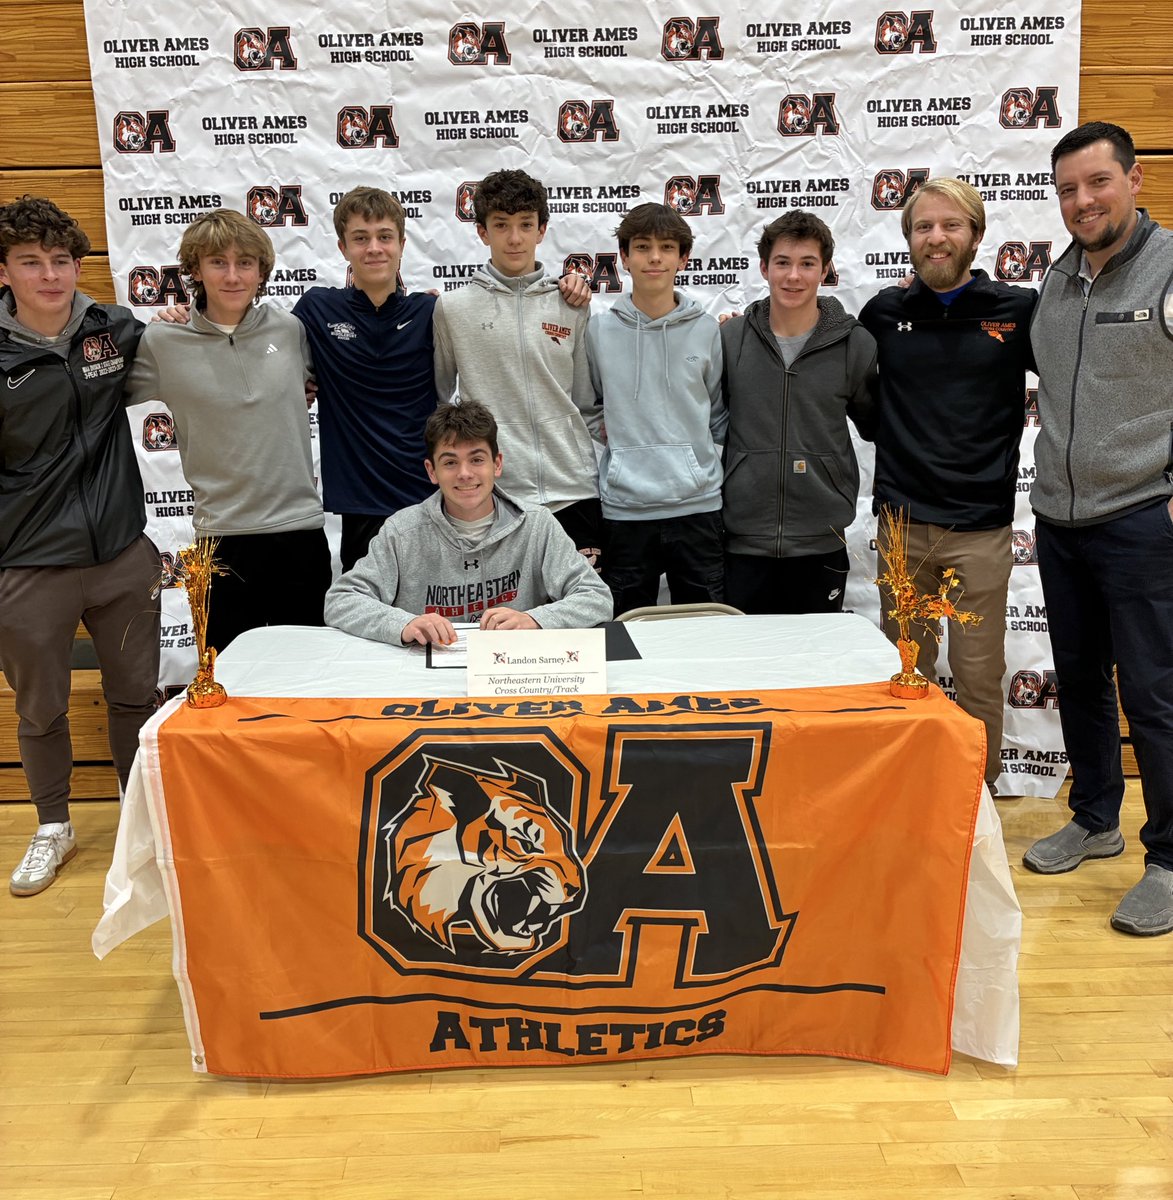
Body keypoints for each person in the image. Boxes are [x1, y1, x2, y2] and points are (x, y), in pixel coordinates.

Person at [1021, 121, 1173, 937]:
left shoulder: (1170, 265)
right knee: (1079, 680)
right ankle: (1094, 818)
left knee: (1154, 695)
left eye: (1096, 183)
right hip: (1060, 518)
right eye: (1067, 189)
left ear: (1133, 179)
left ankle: (1171, 858)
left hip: (1143, 519)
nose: (1081, 201)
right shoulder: (1058, 278)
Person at [0, 196, 160, 896]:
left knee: (134, 697)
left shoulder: (114, 329)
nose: (50, 276)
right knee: (41, 705)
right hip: (31, 563)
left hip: (123, 554)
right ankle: (52, 826)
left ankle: (138, 821)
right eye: (31, 262)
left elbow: (179, 361)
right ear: (4, 270)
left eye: (61, 260)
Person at [859, 179, 1036, 789]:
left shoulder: (1018, 311)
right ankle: (914, 792)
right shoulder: (883, 313)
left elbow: (1081, 379)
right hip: (902, 527)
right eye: (923, 227)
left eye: (950, 225)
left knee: (980, 675)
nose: (936, 238)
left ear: (977, 235)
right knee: (908, 670)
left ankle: (974, 802)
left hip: (980, 533)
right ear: (908, 239)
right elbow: (858, 396)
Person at [127, 210, 329, 652]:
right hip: (222, 540)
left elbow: (319, 384)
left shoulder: (291, 330)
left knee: (311, 681)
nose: (233, 276)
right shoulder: (163, 342)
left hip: (300, 534)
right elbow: (99, 398)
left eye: (245, 263)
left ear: (262, 270)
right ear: (195, 270)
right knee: (231, 688)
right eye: (218, 262)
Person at [324, 401, 612, 645]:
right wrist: (404, 624)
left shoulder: (537, 525)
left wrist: (533, 619)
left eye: (476, 459)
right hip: (426, 680)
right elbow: (341, 600)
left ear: (497, 464)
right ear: (432, 470)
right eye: (450, 462)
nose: (464, 473)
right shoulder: (402, 531)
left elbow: (596, 598)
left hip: (512, 676)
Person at [433, 169, 603, 566]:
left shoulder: (571, 303)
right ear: (482, 232)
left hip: (573, 488)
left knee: (589, 619)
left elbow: (582, 400)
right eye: (501, 225)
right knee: (502, 623)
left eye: (525, 225)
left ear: (542, 230)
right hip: (498, 494)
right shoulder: (452, 309)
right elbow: (442, 401)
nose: (514, 238)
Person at [722, 211, 876, 614]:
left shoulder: (854, 344)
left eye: (807, 264)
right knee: (747, 666)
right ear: (763, 268)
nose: (794, 276)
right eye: (783, 263)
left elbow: (877, 424)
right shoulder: (729, 338)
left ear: (825, 270)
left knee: (815, 667)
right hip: (742, 540)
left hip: (820, 540)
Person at [586, 202, 726, 615]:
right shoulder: (598, 329)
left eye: (667, 247)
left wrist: (696, 467)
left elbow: (717, 413)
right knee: (627, 632)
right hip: (624, 509)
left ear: (683, 258)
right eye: (642, 247)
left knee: (707, 629)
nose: (654, 257)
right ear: (624, 257)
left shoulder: (706, 329)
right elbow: (586, 403)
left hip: (698, 507)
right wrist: (614, 436)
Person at [293, 188, 439, 570]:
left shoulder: (432, 312)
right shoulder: (317, 308)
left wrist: (565, 290)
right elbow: (256, 340)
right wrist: (186, 314)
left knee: (439, 625)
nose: (374, 248)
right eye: (361, 238)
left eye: (384, 236)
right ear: (343, 247)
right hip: (359, 502)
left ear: (402, 244)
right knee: (368, 622)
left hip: (428, 496)